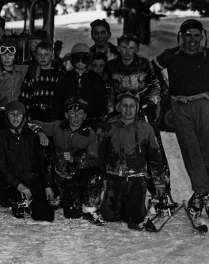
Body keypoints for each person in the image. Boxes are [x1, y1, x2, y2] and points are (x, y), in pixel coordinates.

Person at [153, 19, 209, 227]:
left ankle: (197, 196)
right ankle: (206, 195)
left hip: (203, 103)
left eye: (196, 35)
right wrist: (165, 88)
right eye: (188, 35)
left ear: (202, 36)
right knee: (190, 149)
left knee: (204, 151)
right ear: (181, 36)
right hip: (180, 105)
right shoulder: (171, 55)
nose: (192, 40)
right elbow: (153, 69)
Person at [104, 33, 174, 208]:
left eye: (132, 48)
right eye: (124, 47)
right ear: (118, 47)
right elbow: (108, 91)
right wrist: (111, 112)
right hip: (122, 115)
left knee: (154, 150)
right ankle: (127, 191)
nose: (128, 51)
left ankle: (162, 192)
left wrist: (151, 103)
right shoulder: (111, 66)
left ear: (137, 49)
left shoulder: (145, 64)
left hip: (143, 113)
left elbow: (155, 86)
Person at [29, 97, 104, 223]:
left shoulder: (90, 134)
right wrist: (40, 132)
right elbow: (31, 123)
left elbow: (93, 160)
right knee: (72, 214)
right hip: (61, 177)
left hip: (79, 174)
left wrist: (75, 159)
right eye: (72, 113)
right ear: (66, 115)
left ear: (85, 116)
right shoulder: (57, 127)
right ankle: (65, 198)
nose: (76, 118)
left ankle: (89, 208)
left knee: (95, 174)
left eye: (80, 114)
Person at [98, 93, 167, 230]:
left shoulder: (146, 128)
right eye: (124, 106)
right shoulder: (109, 127)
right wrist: (103, 177)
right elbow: (101, 155)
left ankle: (139, 206)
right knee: (109, 216)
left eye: (132, 106)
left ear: (137, 108)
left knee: (135, 218)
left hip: (137, 178)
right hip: (115, 176)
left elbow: (155, 158)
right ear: (119, 107)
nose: (128, 110)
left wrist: (159, 182)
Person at [0, 101, 54, 221]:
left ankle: (30, 202)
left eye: (19, 114)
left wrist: (48, 185)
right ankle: (18, 201)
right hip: (13, 183)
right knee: (17, 211)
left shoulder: (33, 135)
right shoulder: (0, 137)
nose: (15, 117)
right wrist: (19, 185)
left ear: (24, 116)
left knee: (46, 216)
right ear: (6, 117)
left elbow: (44, 162)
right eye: (12, 114)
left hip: (31, 179)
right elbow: (1, 167)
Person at [52, 43, 107, 124]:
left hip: (90, 121)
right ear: (71, 59)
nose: (80, 61)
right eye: (76, 58)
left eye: (84, 58)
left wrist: (100, 124)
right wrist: (57, 120)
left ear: (89, 59)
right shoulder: (64, 78)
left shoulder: (96, 79)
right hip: (67, 122)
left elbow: (101, 103)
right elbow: (58, 101)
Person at [20, 41, 63, 122]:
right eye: (39, 55)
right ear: (35, 56)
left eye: (46, 55)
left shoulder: (58, 76)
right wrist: (27, 116)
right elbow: (25, 97)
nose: (43, 58)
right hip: (35, 113)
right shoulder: (31, 75)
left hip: (53, 114)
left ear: (52, 56)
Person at [0, 41, 28, 108]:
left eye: (10, 55)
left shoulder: (23, 70)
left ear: (15, 56)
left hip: (20, 109)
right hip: (2, 109)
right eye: (3, 55)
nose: (7, 58)